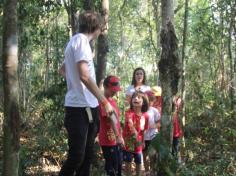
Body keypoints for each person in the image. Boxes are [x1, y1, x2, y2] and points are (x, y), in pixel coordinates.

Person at [58, 11, 114, 176]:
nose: (100, 31)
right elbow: (84, 75)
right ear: (95, 27)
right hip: (79, 108)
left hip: (87, 106)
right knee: (77, 156)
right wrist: (104, 100)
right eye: (101, 28)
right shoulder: (82, 42)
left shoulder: (74, 42)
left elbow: (62, 69)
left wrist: (75, 82)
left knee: (87, 156)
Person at [98, 75, 124, 176]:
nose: (115, 92)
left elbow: (117, 121)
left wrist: (120, 136)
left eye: (116, 90)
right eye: (113, 90)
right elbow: (111, 118)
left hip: (115, 139)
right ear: (105, 87)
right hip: (108, 140)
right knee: (112, 167)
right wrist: (118, 136)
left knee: (118, 165)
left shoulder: (112, 100)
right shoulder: (103, 102)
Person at [122, 91, 149, 176]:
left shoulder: (146, 115)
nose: (136, 98)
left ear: (143, 102)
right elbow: (130, 125)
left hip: (139, 142)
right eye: (134, 97)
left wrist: (143, 141)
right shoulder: (128, 113)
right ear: (131, 101)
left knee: (138, 161)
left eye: (139, 97)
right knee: (128, 161)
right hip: (128, 141)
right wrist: (137, 137)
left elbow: (144, 130)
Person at [143, 90, 161, 175]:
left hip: (153, 136)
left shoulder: (154, 110)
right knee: (145, 155)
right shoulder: (141, 110)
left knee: (153, 155)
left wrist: (154, 126)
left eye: (152, 100)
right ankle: (147, 171)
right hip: (143, 137)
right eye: (148, 100)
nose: (150, 102)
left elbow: (159, 122)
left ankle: (153, 171)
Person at [172, 96, 183, 160]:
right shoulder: (172, 113)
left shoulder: (178, 114)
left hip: (176, 134)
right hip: (171, 134)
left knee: (175, 150)